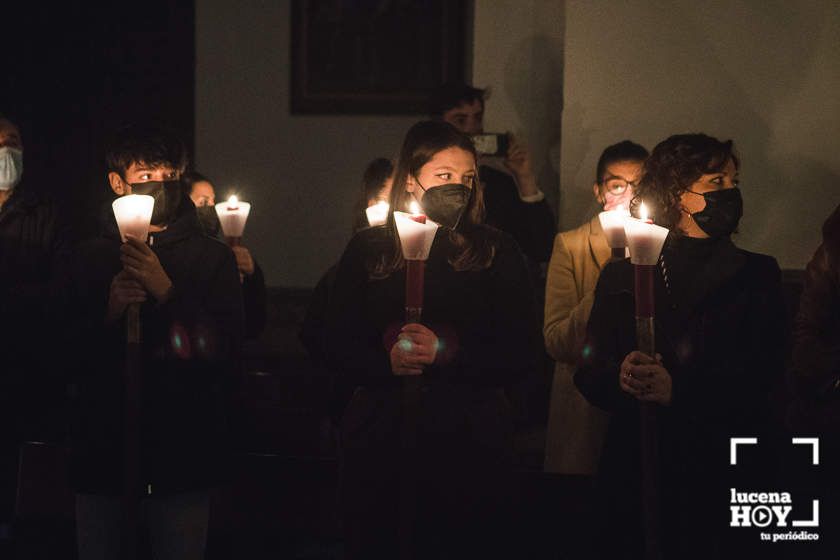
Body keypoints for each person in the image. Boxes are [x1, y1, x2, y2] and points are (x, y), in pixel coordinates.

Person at [326, 121, 538, 559]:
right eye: (444, 176)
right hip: (384, 434)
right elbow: (326, 334)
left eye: (467, 178)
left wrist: (447, 355)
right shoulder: (371, 249)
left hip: (469, 439)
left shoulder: (496, 251)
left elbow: (521, 346)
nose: (457, 187)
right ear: (411, 178)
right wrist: (384, 362)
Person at [574, 134, 786, 558]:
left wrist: (680, 389)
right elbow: (589, 370)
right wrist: (622, 376)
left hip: (718, 464)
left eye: (733, 181)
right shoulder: (625, 275)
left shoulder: (756, 275)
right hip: (638, 463)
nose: (731, 192)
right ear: (677, 194)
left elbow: (766, 376)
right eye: (716, 181)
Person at [69, 124, 244, 559]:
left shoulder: (210, 256)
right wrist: (109, 311)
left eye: (168, 175)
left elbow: (223, 349)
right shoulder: (90, 255)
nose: (159, 185)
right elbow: (66, 351)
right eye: (145, 176)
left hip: (182, 449)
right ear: (117, 183)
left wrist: (166, 291)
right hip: (105, 448)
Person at [543, 140, 648, 475]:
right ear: (600, 191)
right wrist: (605, 286)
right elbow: (557, 340)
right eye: (618, 185)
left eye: (640, 185)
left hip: (641, 406)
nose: (628, 195)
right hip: (584, 411)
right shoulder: (571, 245)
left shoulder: (658, 245)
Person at [0, 114, 72, 547]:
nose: (6, 150)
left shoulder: (48, 213)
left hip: (26, 369)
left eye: (12, 141)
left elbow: (63, 289)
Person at [430, 83, 556, 268]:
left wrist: (525, 178)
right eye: (460, 120)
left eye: (477, 118)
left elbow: (542, 249)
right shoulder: (426, 183)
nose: (472, 128)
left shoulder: (499, 184)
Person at [183, 170, 266, 339]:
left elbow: (251, 321)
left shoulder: (220, 252)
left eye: (213, 201)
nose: (211, 208)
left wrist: (252, 273)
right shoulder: (182, 253)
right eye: (203, 202)